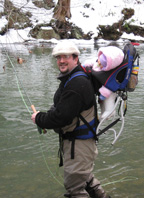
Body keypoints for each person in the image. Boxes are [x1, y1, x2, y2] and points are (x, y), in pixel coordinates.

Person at [31, 40, 111, 198]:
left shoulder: (77, 83)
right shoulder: (74, 77)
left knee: (75, 189)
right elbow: (64, 110)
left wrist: (39, 118)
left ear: (76, 58)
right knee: (86, 180)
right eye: (58, 57)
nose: (61, 61)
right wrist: (46, 116)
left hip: (79, 146)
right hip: (81, 144)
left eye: (65, 57)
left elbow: (61, 117)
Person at [83, 46, 124, 119]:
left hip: (110, 91)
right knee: (102, 102)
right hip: (100, 86)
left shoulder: (110, 74)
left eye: (101, 64)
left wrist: (103, 95)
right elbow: (93, 61)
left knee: (108, 100)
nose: (98, 63)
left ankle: (110, 111)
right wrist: (85, 65)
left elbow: (108, 87)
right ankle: (103, 111)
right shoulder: (98, 61)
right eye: (99, 61)